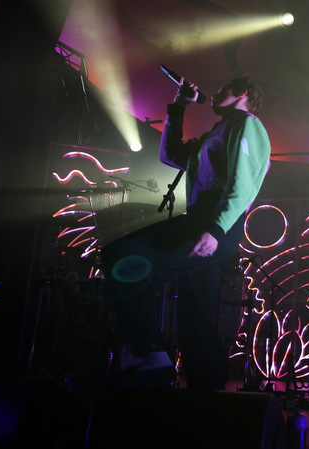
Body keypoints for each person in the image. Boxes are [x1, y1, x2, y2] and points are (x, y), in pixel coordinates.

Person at [102, 74, 271, 389]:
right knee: (195, 317)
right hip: (203, 222)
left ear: (241, 93)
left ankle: (150, 353)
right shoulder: (215, 133)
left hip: (213, 224)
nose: (214, 93)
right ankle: (207, 392)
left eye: (222, 89)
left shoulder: (247, 124)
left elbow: (242, 183)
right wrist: (179, 106)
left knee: (120, 257)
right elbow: (170, 155)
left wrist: (216, 229)